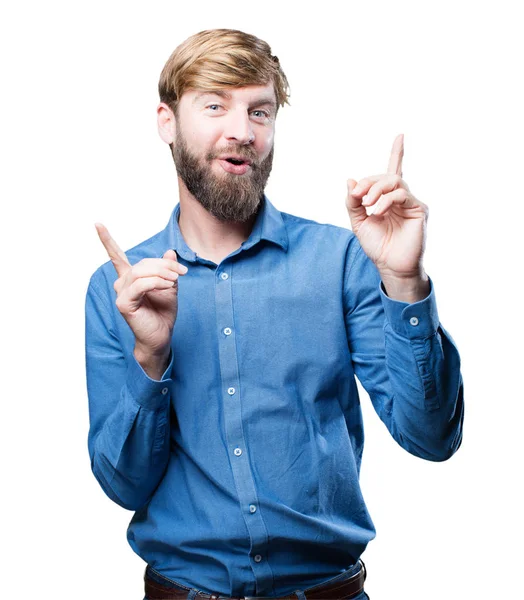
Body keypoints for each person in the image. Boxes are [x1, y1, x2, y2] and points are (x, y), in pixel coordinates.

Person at [85, 28, 464, 600]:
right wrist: (150, 356)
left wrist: (404, 283)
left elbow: (431, 437)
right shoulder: (119, 289)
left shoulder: (343, 262)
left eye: (259, 111)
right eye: (215, 105)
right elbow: (123, 483)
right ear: (167, 121)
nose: (241, 131)